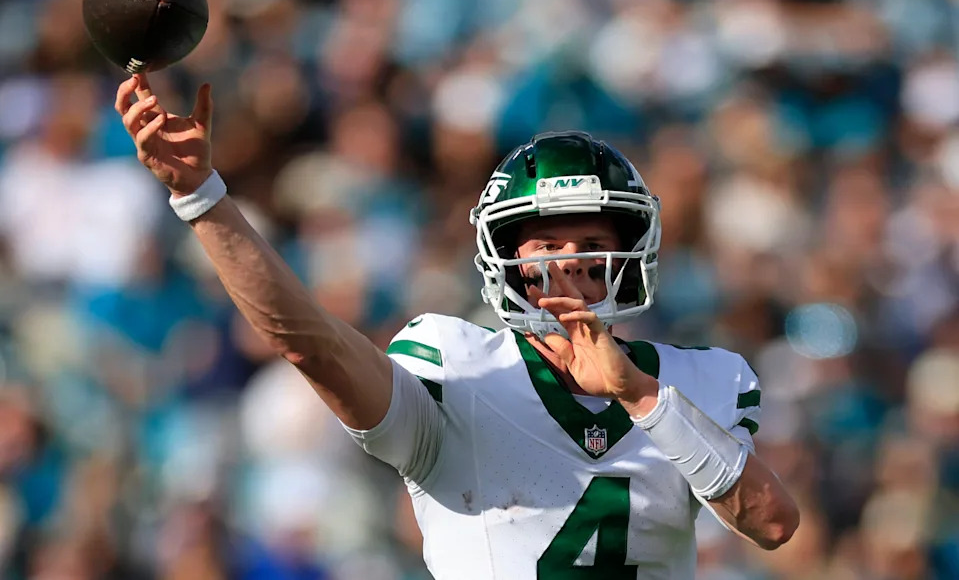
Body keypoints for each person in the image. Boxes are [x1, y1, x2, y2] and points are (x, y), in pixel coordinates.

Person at [115, 74, 799, 579]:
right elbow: (310, 344)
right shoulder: (456, 364)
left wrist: (641, 398)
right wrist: (200, 197)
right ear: (506, 260)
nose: (573, 260)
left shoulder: (693, 379)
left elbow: (772, 525)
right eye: (546, 244)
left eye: (591, 238)